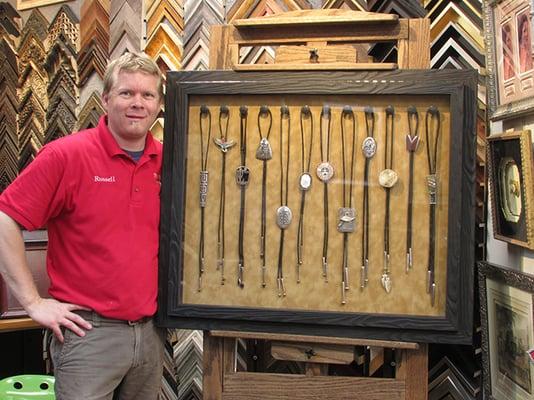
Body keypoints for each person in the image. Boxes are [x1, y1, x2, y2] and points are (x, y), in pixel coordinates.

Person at [0, 52, 165, 400]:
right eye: (126, 93)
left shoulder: (167, 160)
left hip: (150, 333)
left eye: (147, 95)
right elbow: (5, 219)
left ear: (158, 105)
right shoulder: (66, 156)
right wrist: (32, 302)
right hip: (89, 334)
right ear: (106, 99)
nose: (138, 103)